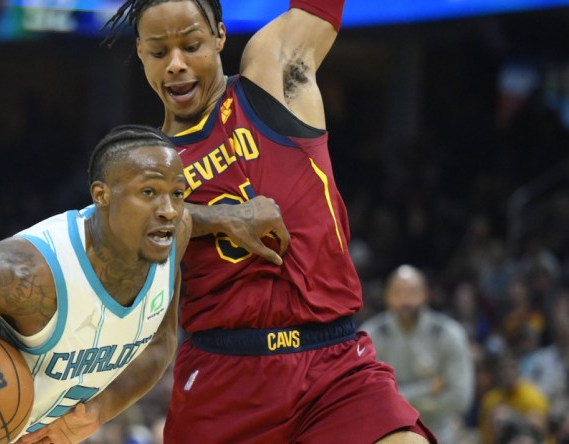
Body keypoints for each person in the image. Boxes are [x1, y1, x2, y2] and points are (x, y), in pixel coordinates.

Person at [92, 0, 438, 442]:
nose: (176, 64)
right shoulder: (145, 165)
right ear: (140, 52)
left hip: (332, 368)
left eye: (192, 45)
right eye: (159, 52)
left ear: (219, 35)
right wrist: (221, 219)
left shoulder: (271, 77)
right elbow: (115, 231)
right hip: (224, 382)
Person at [0, 124, 196, 444]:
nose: (168, 210)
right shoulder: (26, 273)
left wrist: (101, 408)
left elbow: (159, 342)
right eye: (149, 192)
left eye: (178, 193)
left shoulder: (172, 237)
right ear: (102, 195)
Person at [361, 265, 475, 443]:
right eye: (398, 292)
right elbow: (366, 400)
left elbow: (460, 398)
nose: (405, 299)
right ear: (387, 296)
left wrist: (396, 400)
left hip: (438, 434)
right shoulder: (370, 336)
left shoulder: (448, 334)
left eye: (412, 292)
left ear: (425, 294)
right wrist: (428, 388)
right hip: (387, 435)